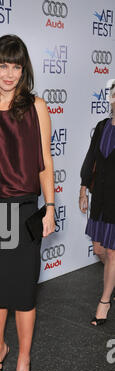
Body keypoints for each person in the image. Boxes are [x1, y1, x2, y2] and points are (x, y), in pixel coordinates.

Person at [0, 35, 55, 371]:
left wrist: (50, 207)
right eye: (3, 65)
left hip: (25, 211)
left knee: (23, 293)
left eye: (16, 66)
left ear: (25, 70)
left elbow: (45, 162)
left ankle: (23, 358)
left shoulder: (37, 106)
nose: (9, 73)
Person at [79, 81, 115, 326]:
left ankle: (104, 301)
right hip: (100, 195)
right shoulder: (102, 126)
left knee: (112, 252)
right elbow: (91, 157)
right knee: (100, 250)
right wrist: (83, 189)